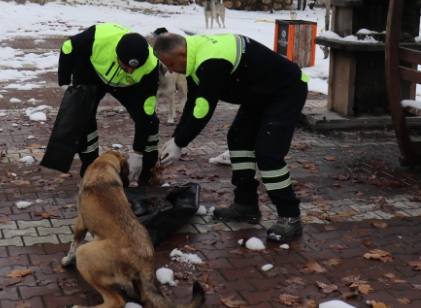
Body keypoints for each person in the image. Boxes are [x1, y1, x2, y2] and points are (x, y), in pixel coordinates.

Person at [154, 32, 309, 242]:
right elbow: (193, 102)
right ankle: (246, 205)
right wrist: (175, 138)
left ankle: (290, 216)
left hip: (285, 90)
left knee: (268, 153)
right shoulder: (195, 55)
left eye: (171, 64)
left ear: (182, 54)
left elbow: (204, 108)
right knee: (238, 138)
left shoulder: (211, 61)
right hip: (259, 93)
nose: (171, 71)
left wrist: (181, 142)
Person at [57, 23, 160, 186]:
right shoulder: (96, 39)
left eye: (135, 68)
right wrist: (63, 82)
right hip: (89, 74)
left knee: (151, 121)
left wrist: (138, 153)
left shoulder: (150, 67)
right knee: (83, 120)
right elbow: (68, 47)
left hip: (127, 86)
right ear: (116, 55)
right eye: (126, 66)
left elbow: (145, 113)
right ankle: (91, 172)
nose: (131, 71)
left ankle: (148, 175)